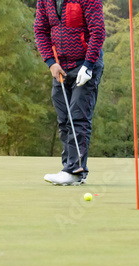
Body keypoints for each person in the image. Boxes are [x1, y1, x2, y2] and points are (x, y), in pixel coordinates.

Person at [34, 0, 105, 185]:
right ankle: (71, 169)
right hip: (60, 67)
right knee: (64, 119)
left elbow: (98, 31)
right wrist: (50, 62)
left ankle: (74, 171)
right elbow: (40, 30)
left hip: (86, 64)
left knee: (78, 117)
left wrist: (88, 66)